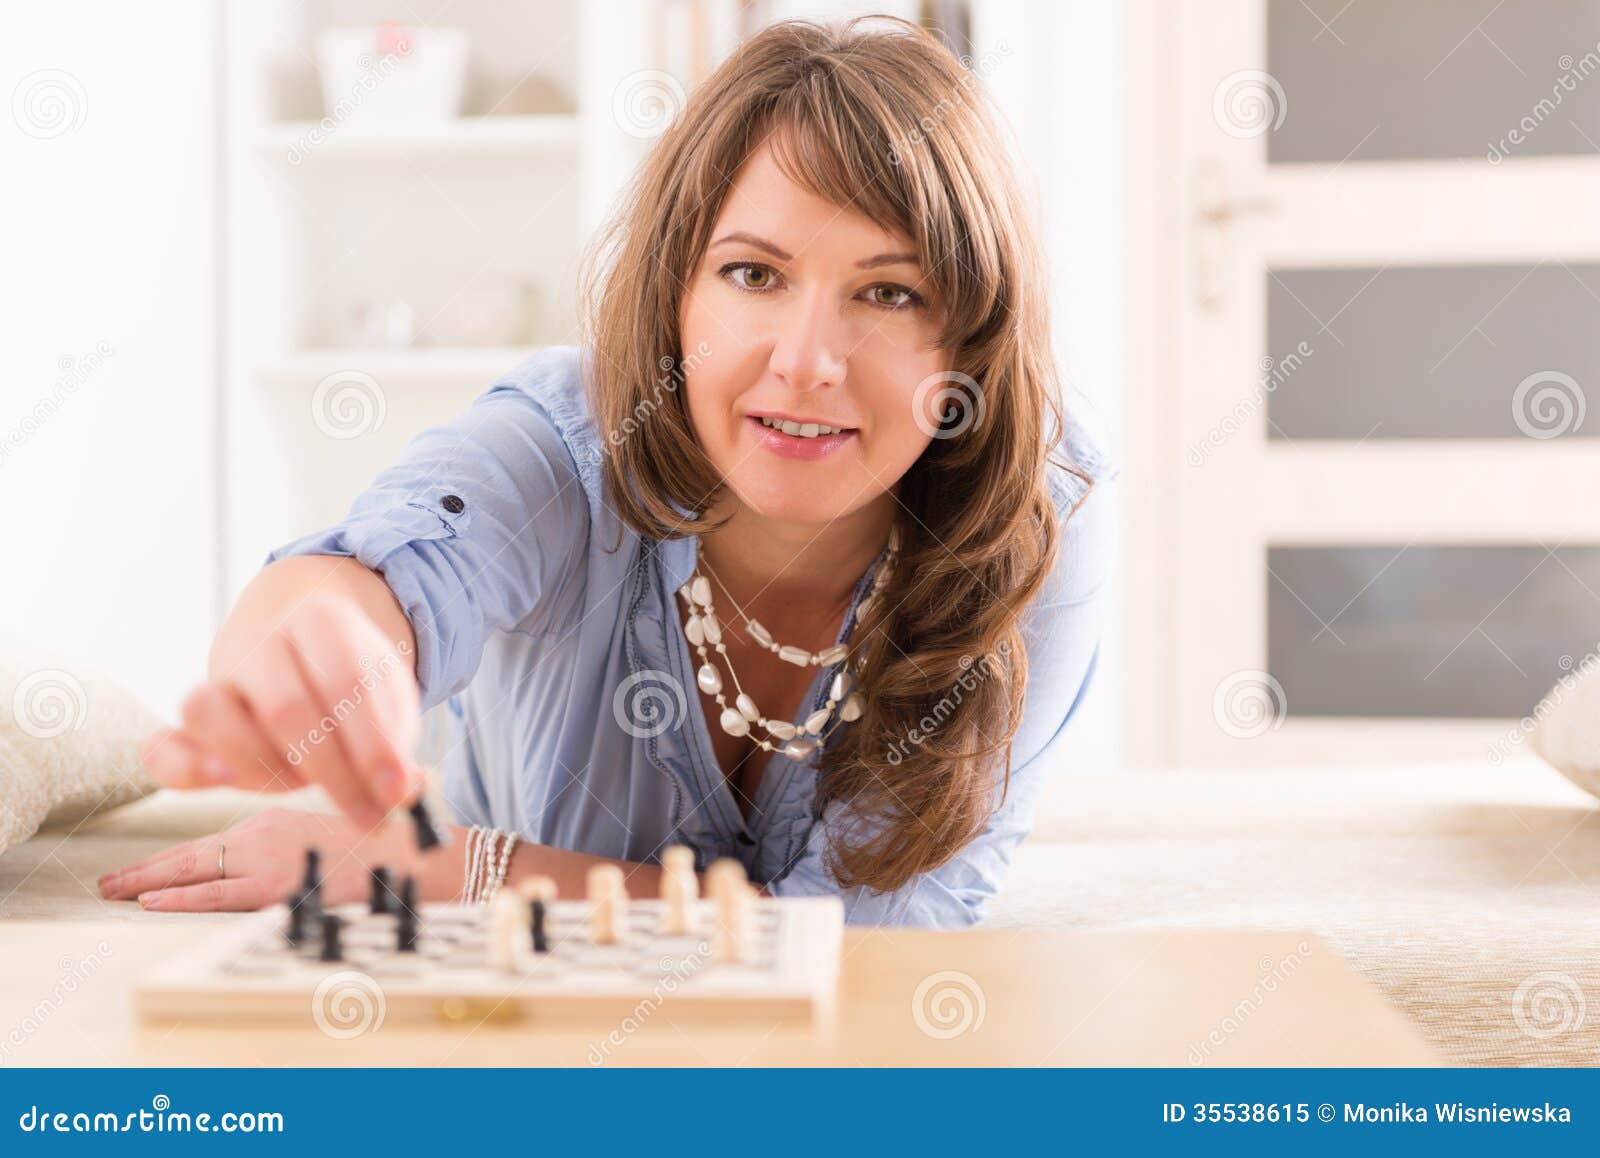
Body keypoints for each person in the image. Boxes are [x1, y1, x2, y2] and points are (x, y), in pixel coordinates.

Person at [100, 16, 1115, 927]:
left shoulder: (1035, 524)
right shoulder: (566, 442)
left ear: (968, 347)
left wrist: (455, 868)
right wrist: (314, 638)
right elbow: (380, 577)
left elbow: (860, 939)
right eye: (753, 275)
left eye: (889, 293)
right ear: (675, 296)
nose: (807, 360)